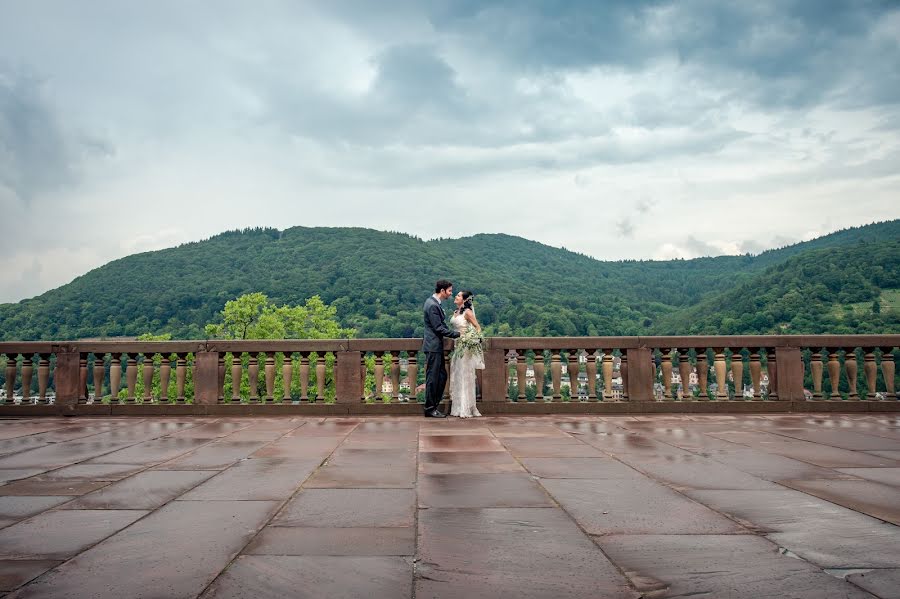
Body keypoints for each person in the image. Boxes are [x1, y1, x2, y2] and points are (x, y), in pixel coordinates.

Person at [422, 279, 460, 418]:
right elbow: (438, 328)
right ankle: (430, 408)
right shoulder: (432, 305)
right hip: (433, 346)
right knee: (433, 378)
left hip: (435, 346)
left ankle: (433, 407)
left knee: (441, 376)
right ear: (442, 291)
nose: (451, 293)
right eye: (449, 291)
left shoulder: (432, 303)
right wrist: (457, 334)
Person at [449, 290, 483, 418]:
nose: (455, 296)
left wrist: (471, 338)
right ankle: (458, 407)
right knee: (457, 377)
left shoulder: (468, 313)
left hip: (466, 348)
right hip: (457, 347)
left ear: (464, 299)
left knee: (465, 377)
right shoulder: (456, 312)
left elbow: (477, 327)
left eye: (458, 295)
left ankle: (466, 407)